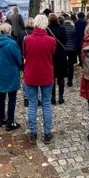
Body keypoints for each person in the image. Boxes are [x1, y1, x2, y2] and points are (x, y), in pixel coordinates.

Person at [23, 14, 56, 144]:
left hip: (31, 74)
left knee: (32, 104)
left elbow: (24, 54)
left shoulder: (26, 39)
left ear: (35, 24)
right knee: (46, 104)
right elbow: (51, 55)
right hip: (46, 74)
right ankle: (47, 133)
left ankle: (33, 133)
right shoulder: (51, 40)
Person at [0, 23, 22, 130]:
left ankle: (1, 119)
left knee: (1, 96)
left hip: (0, 71)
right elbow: (18, 59)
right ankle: (10, 122)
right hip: (11, 72)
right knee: (12, 97)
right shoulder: (12, 43)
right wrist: (21, 66)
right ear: (9, 31)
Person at [47, 13, 67, 105]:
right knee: (61, 77)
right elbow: (65, 41)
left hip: (51, 54)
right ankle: (61, 97)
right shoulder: (62, 29)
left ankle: (53, 98)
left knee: (51, 78)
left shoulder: (47, 30)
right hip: (61, 54)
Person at [63, 17, 77, 87]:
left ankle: (61, 79)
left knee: (63, 64)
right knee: (71, 65)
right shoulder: (74, 28)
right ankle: (70, 81)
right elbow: (75, 39)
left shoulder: (62, 28)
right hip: (72, 49)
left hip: (63, 49)